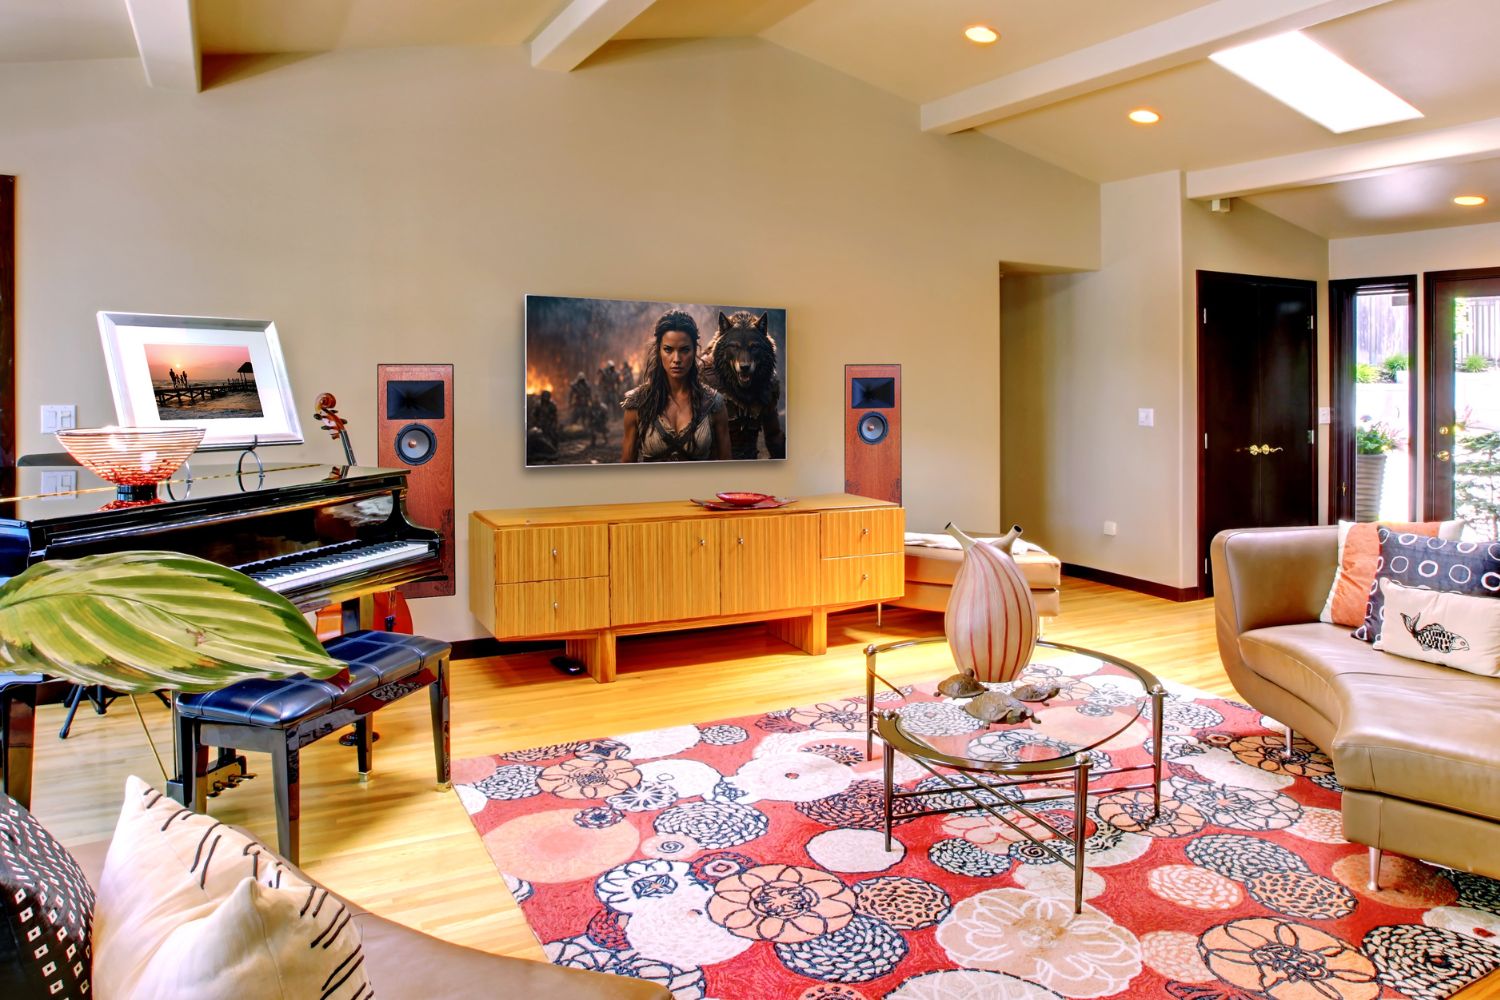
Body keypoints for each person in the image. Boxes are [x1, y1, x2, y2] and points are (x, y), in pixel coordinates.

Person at [620, 310, 730, 462]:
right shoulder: (637, 403)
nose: (676, 359)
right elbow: (626, 468)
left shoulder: (714, 404)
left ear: (694, 350)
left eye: (684, 350)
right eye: (668, 350)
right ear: (659, 351)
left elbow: (726, 465)